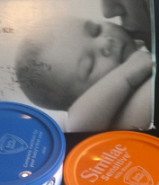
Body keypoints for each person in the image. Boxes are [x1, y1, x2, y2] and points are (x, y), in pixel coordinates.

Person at [16, 17, 152, 132]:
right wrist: (125, 75)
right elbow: (77, 125)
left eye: (96, 30)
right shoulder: (87, 119)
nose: (104, 42)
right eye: (90, 64)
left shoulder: (145, 41)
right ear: (79, 101)